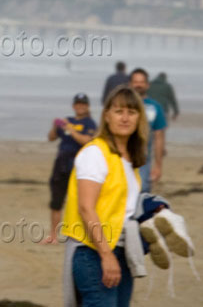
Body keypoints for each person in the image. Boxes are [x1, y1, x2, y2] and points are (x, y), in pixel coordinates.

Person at [61, 86, 147, 306]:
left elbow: (123, 209)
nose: (125, 118)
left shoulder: (128, 160)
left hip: (121, 250)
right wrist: (106, 255)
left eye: (131, 111)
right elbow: (86, 208)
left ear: (139, 117)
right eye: (119, 111)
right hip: (92, 251)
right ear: (107, 116)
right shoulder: (95, 153)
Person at [43, 93, 97, 244]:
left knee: (81, 202)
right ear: (74, 106)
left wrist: (71, 130)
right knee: (56, 200)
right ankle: (53, 235)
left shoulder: (90, 123)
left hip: (79, 165)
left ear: (87, 106)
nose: (80, 106)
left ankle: (79, 233)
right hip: (61, 163)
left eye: (83, 104)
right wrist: (55, 126)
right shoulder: (68, 120)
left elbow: (87, 141)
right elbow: (51, 137)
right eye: (78, 104)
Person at [129, 68, 166, 192]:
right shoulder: (121, 104)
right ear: (130, 84)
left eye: (141, 82)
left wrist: (158, 165)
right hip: (118, 158)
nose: (138, 85)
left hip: (142, 160)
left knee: (142, 192)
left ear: (147, 85)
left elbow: (159, 137)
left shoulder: (155, 107)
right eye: (135, 81)